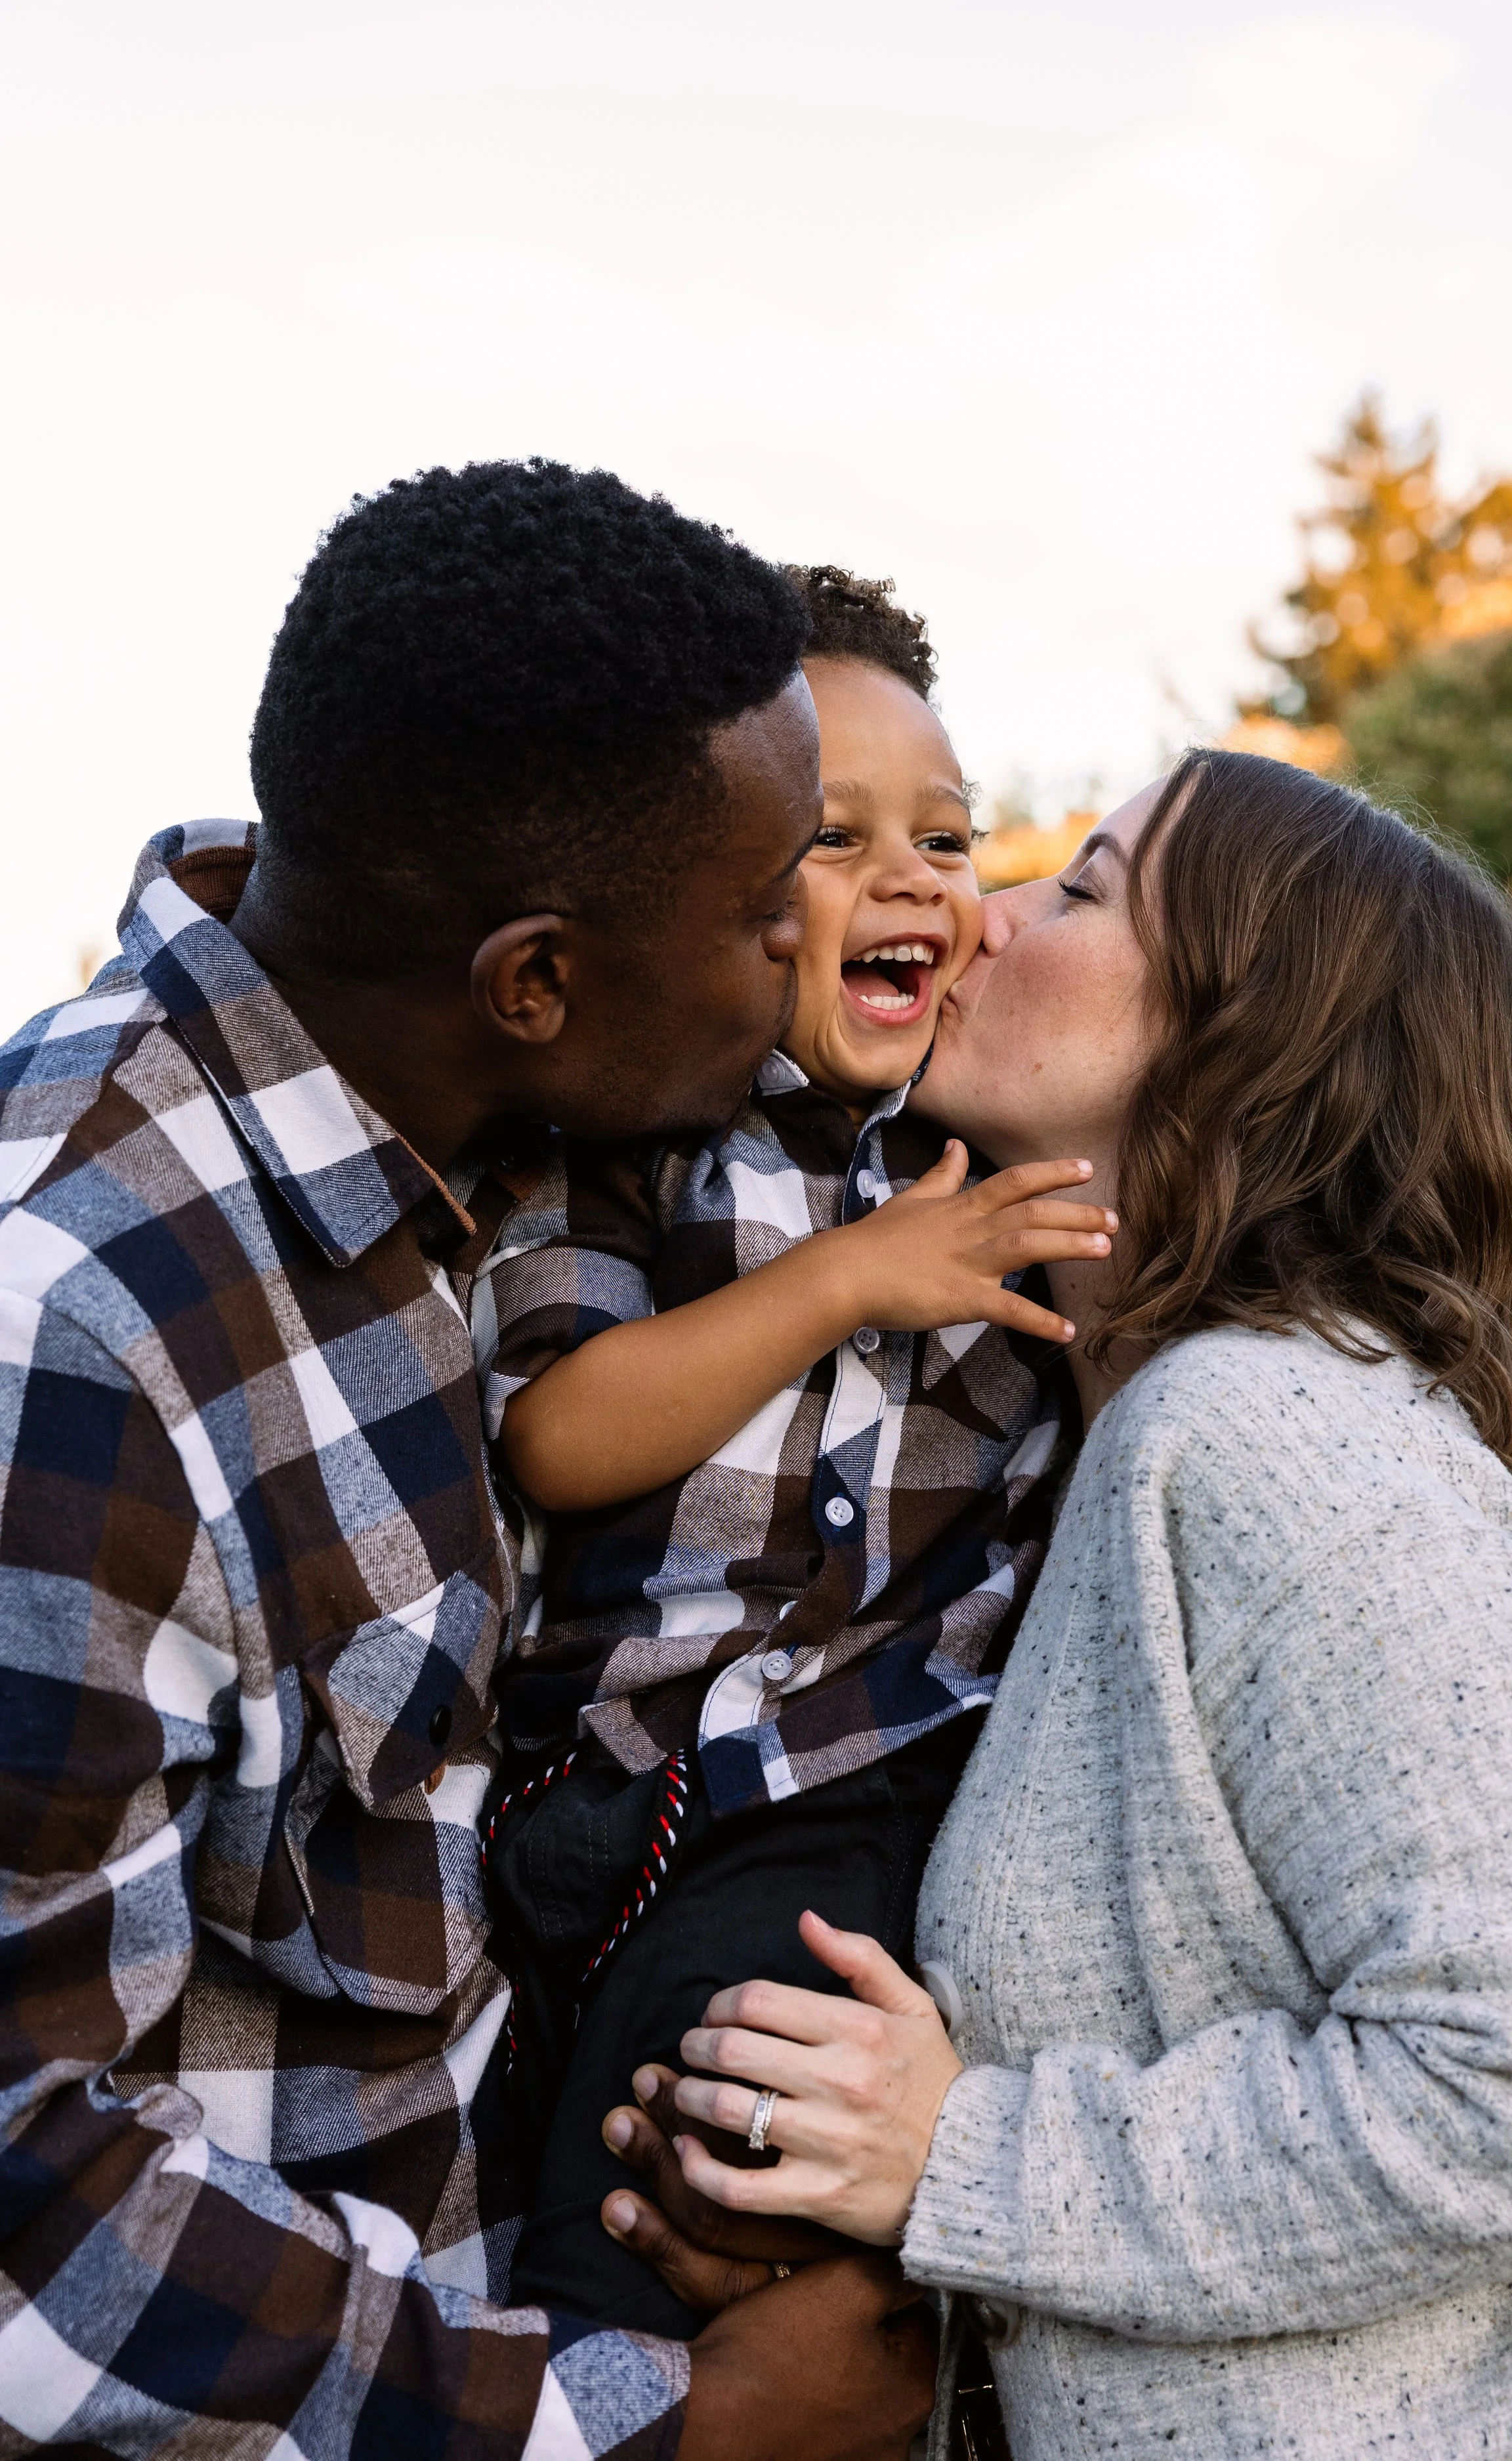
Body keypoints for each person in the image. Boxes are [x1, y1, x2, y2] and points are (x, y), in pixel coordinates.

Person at [0, 460, 936, 2459]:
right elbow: (24, 2197)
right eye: (767, 907)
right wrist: (641, 2427)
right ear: (537, 976)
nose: (807, 948)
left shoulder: (484, 1149)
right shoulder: (75, 1331)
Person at [622, 749, 1512, 2458]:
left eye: (1080, 888)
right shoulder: (1094, 1444)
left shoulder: (1271, 1433)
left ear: (1255, 1039)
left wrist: (961, 2154)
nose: (978, 912)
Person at [474, 570, 1113, 2335]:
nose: (915, 877)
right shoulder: (638, 1143)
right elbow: (559, 1429)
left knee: (710, 2177)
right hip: (612, 1792)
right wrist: (844, 1279)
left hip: (862, 1790)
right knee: (562, 2187)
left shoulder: (993, 1162)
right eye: (833, 840)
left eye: (950, 836)